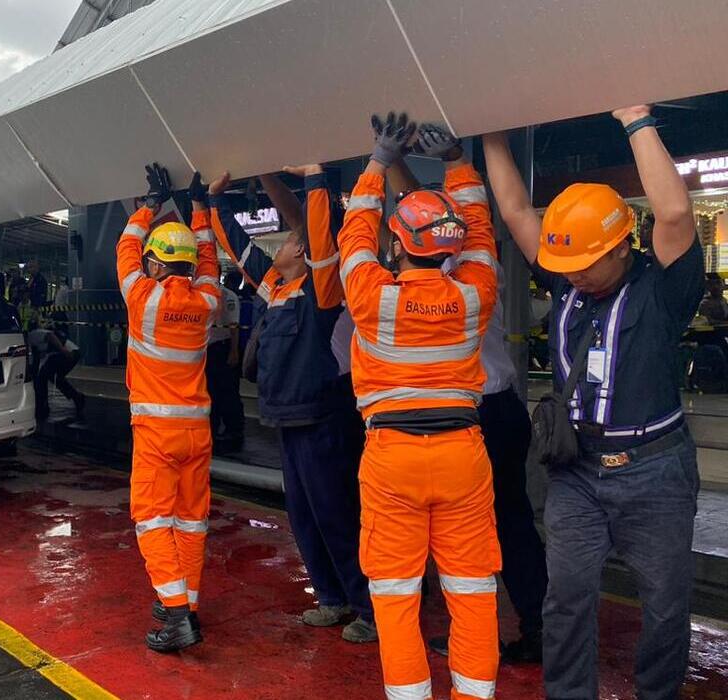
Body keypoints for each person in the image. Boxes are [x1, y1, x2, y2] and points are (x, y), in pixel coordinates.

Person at [483, 105, 704, 700]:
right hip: (577, 473)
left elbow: (677, 211)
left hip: (655, 473)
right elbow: (513, 211)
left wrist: (635, 120)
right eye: (565, 266)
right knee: (566, 600)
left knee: (664, 606)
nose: (571, 275)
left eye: (584, 263)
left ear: (621, 247)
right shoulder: (566, 281)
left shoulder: (664, 289)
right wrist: (491, 129)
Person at [340, 113, 501, 699]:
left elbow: (354, 237)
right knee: (473, 591)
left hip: (392, 459)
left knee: (395, 596)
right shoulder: (473, 294)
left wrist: (379, 161)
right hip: (463, 455)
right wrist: (458, 163)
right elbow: (481, 236)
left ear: (399, 245)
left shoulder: (372, 297)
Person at [385, 157, 548, 663]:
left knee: (469, 539)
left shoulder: (442, 274)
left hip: (472, 416)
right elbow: (431, 219)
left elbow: (424, 224)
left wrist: (388, 165)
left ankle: (495, 633)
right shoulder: (479, 266)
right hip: (499, 409)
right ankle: (535, 626)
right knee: (509, 524)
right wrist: (408, 166)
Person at [210, 165, 376, 643]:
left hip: (323, 419)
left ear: (301, 252)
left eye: (286, 241)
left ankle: (367, 607)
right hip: (286, 421)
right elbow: (240, 250)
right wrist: (212, 202)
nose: (276, 246)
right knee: (304, 517)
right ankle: (331, 597)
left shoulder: (321, 291)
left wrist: (316, 180)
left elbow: (323, 243)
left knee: (337, 514)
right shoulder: (276, 288)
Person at [117, 163, 221, 653]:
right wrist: (200, 209)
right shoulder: (207, 301)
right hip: (197, 431)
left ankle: (177, 615)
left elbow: (124, 248)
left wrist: (150, 203)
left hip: (156, 431)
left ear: (156, 264)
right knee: (191, 521)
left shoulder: (143, 299)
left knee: (154, 521)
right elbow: (211, 262)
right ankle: (189, 605)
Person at [205, 265, 245, 451]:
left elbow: (233, 326)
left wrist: (234, 352)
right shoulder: (202, 294)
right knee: (209, 392)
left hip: (223, 348)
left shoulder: (228, 296)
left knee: (228, 392)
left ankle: (233, 430)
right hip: (206, 350)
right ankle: (211, 429)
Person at [27, 326, 85, 422]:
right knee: (53, 377)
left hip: (68, 353)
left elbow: (50, 336)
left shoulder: (32, 335)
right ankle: (76, 397)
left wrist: (63, 350)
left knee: (43, 376)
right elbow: (35, 362)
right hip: (69, 353)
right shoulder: (32, 343)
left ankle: (43, 405)